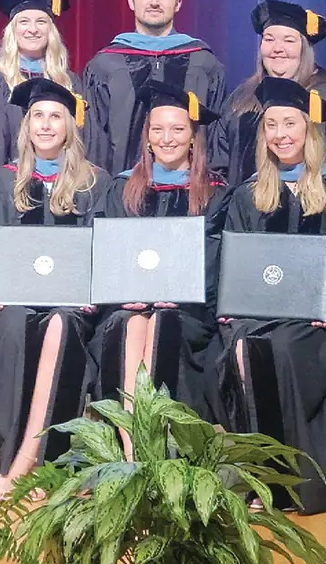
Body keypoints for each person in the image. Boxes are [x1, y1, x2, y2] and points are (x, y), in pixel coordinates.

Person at [212, 77, 326, 515]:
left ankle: (298, 480)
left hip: (313, 317)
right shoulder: (247, 194)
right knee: (242, 347)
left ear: (310, 130)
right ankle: (263, 473)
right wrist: (232, 306)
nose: (281, 134)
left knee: (276, 348)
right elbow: (234, 258)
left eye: (290, 123)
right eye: (272, 125)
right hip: (256, 312)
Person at [0, 77, 106, 503]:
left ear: (69, 126)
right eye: (38, 118)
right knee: (13, 326)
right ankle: (17, 459)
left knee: (61, 325)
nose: (46, 126)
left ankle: (30, 466)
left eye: (55, 117)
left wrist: (88, 294)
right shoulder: (0, 182)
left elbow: (103, 251)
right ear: (26, 127)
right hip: (16, 300)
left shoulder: (94, 183)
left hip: (74, 305)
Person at [92, 80, 231, 438]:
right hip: (128, 303)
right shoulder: (122, 187)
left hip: (190, 310)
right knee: (131, 321)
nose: (167, 138)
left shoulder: (215, 193)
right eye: (158, 129)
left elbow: (216, 259)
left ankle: (159, 444)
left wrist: (179, 293)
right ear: (147, 137)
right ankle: (132, 446)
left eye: (177, 129)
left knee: (163, 323)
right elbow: (109, 252)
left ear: (193, 136)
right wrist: (125, 293)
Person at [209, 0, 326, 186]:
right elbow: (219, 165)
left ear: (304, 48)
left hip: (319, 209)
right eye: (269, 39)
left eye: (288, 40)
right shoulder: (241, 99)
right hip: (248, 210)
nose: (277, 48)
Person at [82, 0, 226, 174]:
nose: (155, 2)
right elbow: (95, 141)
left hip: (193, 192)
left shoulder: (203, 62)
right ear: (131, 1)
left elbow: (216, 135)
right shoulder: (105, 65)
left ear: (178, 4)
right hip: (120, 191)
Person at [0, 0, 81, 176]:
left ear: (51, 31)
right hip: (4, 188)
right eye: (24, 21)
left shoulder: (69, 82)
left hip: (63, 185)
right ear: (12, 30)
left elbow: (81, 141)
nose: (32, 29)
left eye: (41, 22)